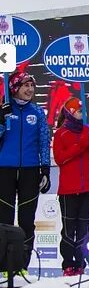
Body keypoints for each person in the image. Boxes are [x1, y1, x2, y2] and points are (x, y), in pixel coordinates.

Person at [0, 72, 51, 276]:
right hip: (5, 170)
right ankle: (4, 266)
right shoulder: (4, 109)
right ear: (14, 88)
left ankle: (22, 265)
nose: (30, 89)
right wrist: (1, 120)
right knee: (4, 219)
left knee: (27, 220)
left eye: (32, 85)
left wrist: (45, 168)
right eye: (25, 85)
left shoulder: (38, 112)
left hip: (30, 170)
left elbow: (44, 142)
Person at [53, 96, 89, 276]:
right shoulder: (60, 134)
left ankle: (80, 264)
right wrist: (80, 144)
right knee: (68, 229)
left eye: (83, 111)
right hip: (68, 189)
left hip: (87, 188)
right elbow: (60, 158)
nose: (82, 114)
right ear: (70, 112)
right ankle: (68, 263)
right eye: (79, 111)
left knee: (83, 228)